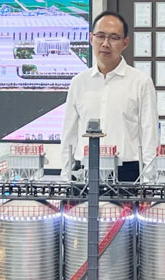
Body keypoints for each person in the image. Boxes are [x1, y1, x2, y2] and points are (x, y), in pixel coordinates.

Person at [60, 11, 158, 182]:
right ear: (91, 38)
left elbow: (149, 134)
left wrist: (148, 181)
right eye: (100, 36)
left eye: (114, 38)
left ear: (125, 43)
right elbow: (69, 134)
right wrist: (66, 177)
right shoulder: (79, 82)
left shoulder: (140, 82)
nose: (105, 44)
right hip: (84, 171)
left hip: (128, 173)